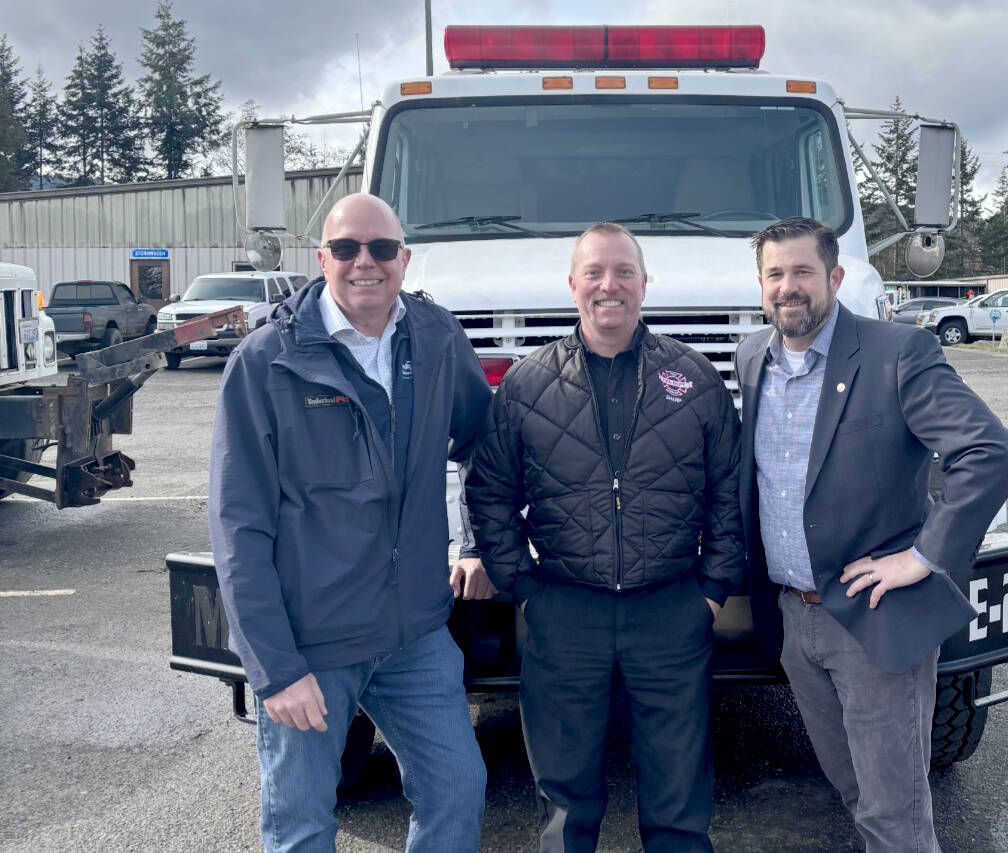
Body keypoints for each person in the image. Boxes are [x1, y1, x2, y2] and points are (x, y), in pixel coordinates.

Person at [209, 192, 494, 852]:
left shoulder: (437, 337)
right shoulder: (264, 364)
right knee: (301, 824)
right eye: (346, 248)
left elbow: (485, 440)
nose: (365, 262)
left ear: (404, 258)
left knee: (457, 788)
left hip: (414, 634)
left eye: (382, 248)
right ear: (322, 258)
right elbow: (238, 527)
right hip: (312, 642)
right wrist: (275, 668)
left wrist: (476, 541)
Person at [734, 218, 1008, 852]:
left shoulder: (897, 354)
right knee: (855, 791)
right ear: (760, 286)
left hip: (872, 617)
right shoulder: (752, 357)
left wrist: (924, 557)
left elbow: (988, 453)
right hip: (793, 617)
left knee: (896, 813)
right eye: (775, 275)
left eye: (803, 272)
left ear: (834, 277)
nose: (789, 288)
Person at [466, 222, 744, 853]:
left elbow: (729, 491)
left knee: (679, 800)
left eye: (623, 272)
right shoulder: (527, 384)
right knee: (566, 801)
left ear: (645, 284)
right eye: (594, 272)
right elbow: (490, 492)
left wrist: (711, 588)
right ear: (573, 286)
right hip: (565, 610)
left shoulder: (694, 380)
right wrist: (524, 587)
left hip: (671, 610)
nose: (609, 286)